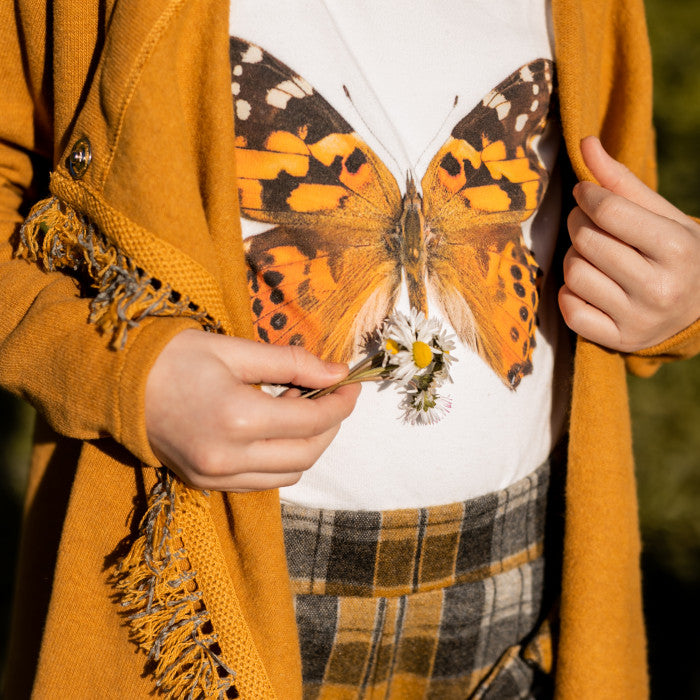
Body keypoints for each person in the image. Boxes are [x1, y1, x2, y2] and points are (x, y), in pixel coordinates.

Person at [1, 1, 698, 698]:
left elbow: (624, 205)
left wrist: (677, 294)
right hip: (227, 569)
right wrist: (127, 370)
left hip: (520, 556)